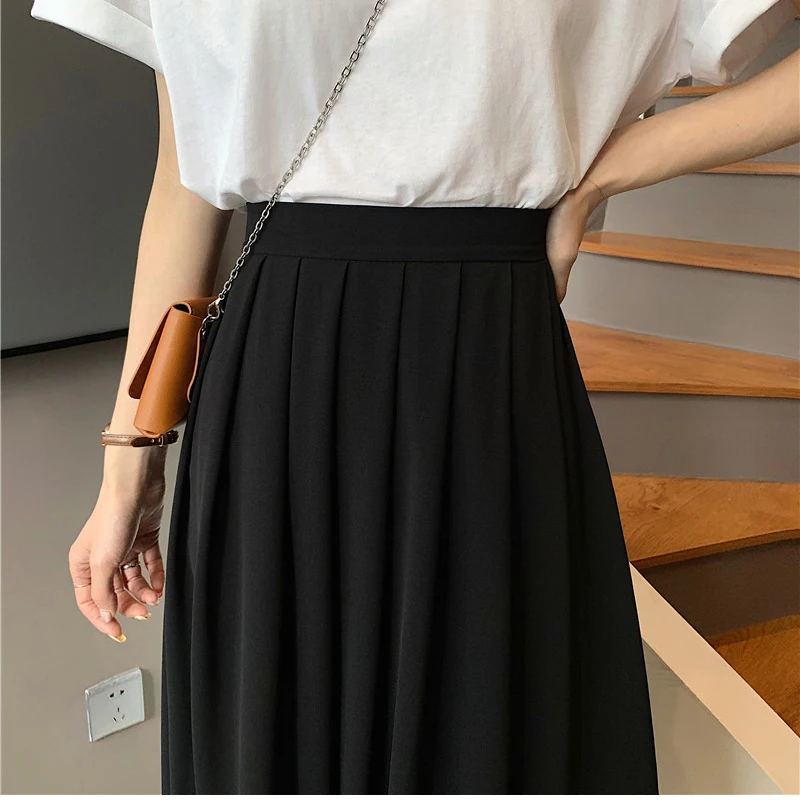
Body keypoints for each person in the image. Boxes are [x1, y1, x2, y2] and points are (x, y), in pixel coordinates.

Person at [30, 0, 800, 794]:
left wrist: (614, 167)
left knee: (482, 733)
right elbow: (184, 177)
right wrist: (128, 460)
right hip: (275, 397)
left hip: (487, 384)